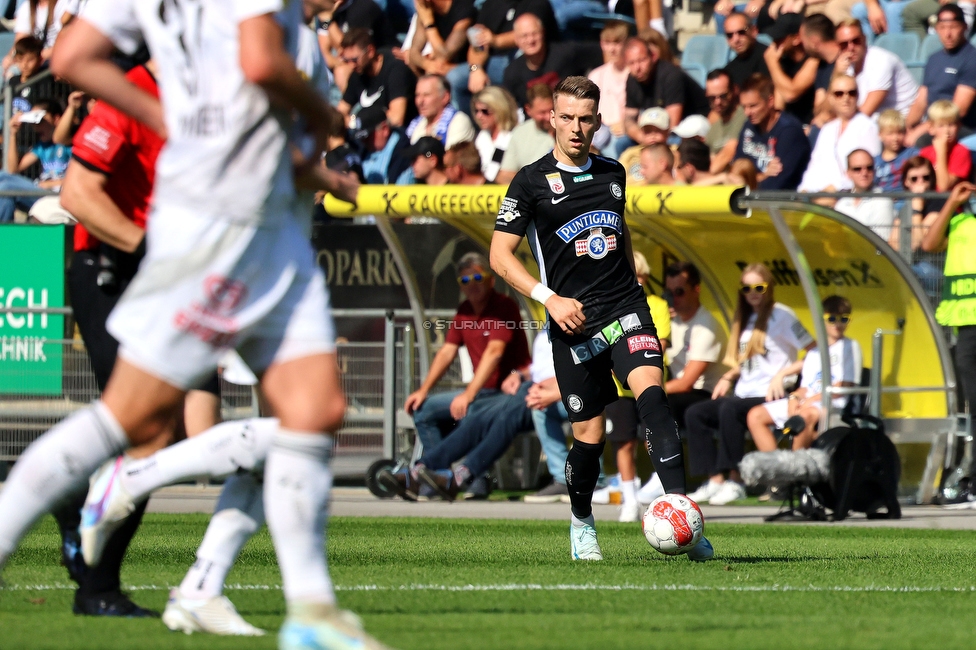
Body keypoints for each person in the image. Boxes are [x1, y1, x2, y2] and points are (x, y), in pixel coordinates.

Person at [6, 2, 385, 649]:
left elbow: (69, 56)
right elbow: (261, 62)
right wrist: (327, 113)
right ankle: (125, 489)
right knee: (130, 421)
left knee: (316, 408)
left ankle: (310, 613)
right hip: (221, 222)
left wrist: (309, 167)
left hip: (260, 220)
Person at [490, 75, 713, 561]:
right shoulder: (529, 181)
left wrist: (632, 275)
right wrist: (550, 299)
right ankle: (582, 522)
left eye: (585, 119)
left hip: (625, 308)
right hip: (573, 325)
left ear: (597, 123)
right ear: (551, 118)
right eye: (566, 117)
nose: (575, 128)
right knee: (590, 439)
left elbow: (621, 232)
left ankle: (683, 520)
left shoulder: (614, 172)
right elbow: (499, 257)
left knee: (653, 399)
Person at [685, 263, 815, 505]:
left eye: (758, 287)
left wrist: (784, 374)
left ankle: (736, 481)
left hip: (771, 394)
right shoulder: (745, 317)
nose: (752, 292)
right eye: (746, 288)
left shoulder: (782, 315)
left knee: (729, 410)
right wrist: (729, 376)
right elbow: (751, 360)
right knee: (696, 413)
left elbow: (814, 351)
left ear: (769, 288)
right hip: (744, 391)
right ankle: (715, 480)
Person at [403, 252, 532, 455]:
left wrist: (468, 395)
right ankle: (438, 474)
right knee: (424, 410)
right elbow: (447, 351)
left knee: (471, 412)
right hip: (484, 393)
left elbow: (494, 352)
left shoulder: (503, 306)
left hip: (514, 391)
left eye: (477, 277)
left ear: (491, 280)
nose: (471, 284)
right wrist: (423, 390)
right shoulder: (464, 310)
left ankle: (471, 477)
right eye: (465, 280)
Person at [603, 252, 672, 522]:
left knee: (653, 437)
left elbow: (660, 342)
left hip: (648, 382)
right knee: (623, 441)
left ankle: (665, 492)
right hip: (619, 388)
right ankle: (630, 498)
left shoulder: (657, 304)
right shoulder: (610, 302)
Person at [746, 295, 862, 451]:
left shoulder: (850, 346)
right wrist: (795, 398)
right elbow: (805, 386)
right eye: (832, 318)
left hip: (832, 404)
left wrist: (810, 400)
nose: (838, 324)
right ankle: (776, 464)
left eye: (844, 319)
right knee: (755, 415)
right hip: (808, 402)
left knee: (804, 417)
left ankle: (795, 468)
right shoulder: (814, 352)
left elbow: (844, 385)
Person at [922, 182, 976, 456]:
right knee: (972, 400)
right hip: (967, 324)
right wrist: (952, 202)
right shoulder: (960, 222)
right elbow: (929, 244)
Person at [457, 0, 558, 110]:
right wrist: (476, 68)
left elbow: (531, 37)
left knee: (511, 71)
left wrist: (495, 40)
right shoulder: (491, 4)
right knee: (455, 77)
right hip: (492, 62)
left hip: (526, 60)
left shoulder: (537, 3)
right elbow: (477, 41)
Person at [662, 261, 727, 427]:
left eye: (679, 292)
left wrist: (648, 390)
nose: (673, 299)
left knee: (661, 405)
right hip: (679, 392)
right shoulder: (669, 322)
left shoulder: (706, 326)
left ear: (696, 290)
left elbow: (686, 383)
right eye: (669, 293)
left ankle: (664, 451)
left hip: (707, 394)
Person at [798, 75, 881, 195]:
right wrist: (804, 190)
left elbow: (869, 171)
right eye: (839, 94)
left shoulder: (868, 127)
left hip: (851, 196)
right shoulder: (827, 129)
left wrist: (836, 188)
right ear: (831, 98)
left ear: (857, 96)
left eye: (851, 93)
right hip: (820, 194)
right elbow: (815, 165)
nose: (846, 98)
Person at [906, 4, 976, 139]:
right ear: (937, 29)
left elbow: (958, 111)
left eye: (953, 27)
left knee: (919, 142)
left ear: (964, 27)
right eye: (942, 28)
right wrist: (905, 128)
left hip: (957, 128)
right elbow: (921, 101)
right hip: (932, 126)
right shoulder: (933, 59)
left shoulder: (972, 59)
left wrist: (921, 130)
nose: (947, 34)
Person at [734, 73, 811, 190]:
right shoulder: (749, 127)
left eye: (753, 106)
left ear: (770, 101)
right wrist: (763, 175)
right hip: (748, 196)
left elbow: (776, 184)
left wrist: (750, 179)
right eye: (744, 107)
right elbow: (736, 172)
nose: (747, 113)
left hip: (784, 202)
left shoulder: (789, 131)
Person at [623, 37, 709, 140]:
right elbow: (629, 118)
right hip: (656, 131)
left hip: (689, 128)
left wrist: (650, 138)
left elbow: (672, 122)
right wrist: (640, 136)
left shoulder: (671, 75)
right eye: (631, 63)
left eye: (641, 60)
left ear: (653, 56)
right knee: (622, 142)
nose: (637, 68)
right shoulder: (632, 80)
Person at [0, 99, 71, 223]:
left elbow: (79, 179)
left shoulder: (70, 144)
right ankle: (4, 236)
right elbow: (12, 170)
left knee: (6, 186)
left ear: (57, 119)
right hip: (41, 192)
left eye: (41, 121)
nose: (36, 127)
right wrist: (13, 134)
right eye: (33, 122)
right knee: (3, 180)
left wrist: (50, 184)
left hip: (58, 195)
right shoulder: (42, 146)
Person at [522, 325, 572, 503]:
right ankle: (563, 479)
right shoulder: (545, 329)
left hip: (588, 393)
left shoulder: (584, 321)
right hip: (553, 393)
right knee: (539, 409)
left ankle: (595, 481)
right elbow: (542, 369)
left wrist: (554, 393)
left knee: (584, 409)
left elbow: (592, 368)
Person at [501, 13, 589, 110]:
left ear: (543, 32)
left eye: (534, 34)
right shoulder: (512, 72)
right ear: (516, 40)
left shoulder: (567, 53)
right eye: (524, 36)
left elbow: (601, 51)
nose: (530, 40)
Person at [832, 19, 918, 118]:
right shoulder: (844, 66)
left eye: (856, 41)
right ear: (838, 46)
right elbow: (827, 111)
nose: (851, 47)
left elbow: (864, 114)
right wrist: (836, 75)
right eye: (844, 44)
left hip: (900, 122)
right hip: (876, 122)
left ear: (864, 39)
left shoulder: (880, 61)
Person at [337, 28, 416, 128]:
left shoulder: (395, 70)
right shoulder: (358, 73)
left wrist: (356, 122)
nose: (351, 65)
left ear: (370, 51)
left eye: (354, 59)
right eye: (347, 60)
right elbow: (340, 112)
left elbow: (396, 118)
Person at [893, 156, 944, 299]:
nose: (920, 183)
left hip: (932, 267)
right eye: (914, 179)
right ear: (906, 182)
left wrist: (917, 209)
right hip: (911, 264)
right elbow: (892, 242)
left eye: (925, 178)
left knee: (905, 273)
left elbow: (919, 243)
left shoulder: (939, 203)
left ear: (932, 180)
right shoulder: (905, 207)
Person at [763, 12, 820, 125]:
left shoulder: (814, 59)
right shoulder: (782, 63)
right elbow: (779, 106)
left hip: (811, 125)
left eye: (779, 38)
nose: (774, 43)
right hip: (791, 126)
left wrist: (772, 63)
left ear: (796, 38)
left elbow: (791, 93)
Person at [494, 82, 555, 184]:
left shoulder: (568, 127)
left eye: (551, 110)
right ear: (528, 110)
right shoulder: (520, 133)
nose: (548, 117)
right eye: (542, 112)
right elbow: (505, 175)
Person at [588, 20, 633, 158]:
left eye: (617, 43)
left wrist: (625, 124)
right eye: (607, 43)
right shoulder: (596, 75)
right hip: (599, 133)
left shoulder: (634, 73)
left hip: (624, 135)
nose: (612, 49)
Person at [405, 0, 475, 80]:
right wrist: (427, 64)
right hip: (443, 67)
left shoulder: (464, 10)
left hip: (472, 67)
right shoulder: (426, 10)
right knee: (409, 67)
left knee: (454, 75)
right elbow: (413, 54)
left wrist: (429, 24)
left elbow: (444, 55)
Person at [834, 149, 895, 239]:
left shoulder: (882, 201)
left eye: (869, 168)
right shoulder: (842, 204)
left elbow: (880, 244)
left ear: (874, 171)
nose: (864, 173)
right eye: (857, 169)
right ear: (848, 173)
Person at [406, 74, 476, 148]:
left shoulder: (459, 121)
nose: (420, 101)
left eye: (426, 95)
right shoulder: (416, 124)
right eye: (417, 95)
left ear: (445, 97)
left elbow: (452, 158)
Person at [917, 99, 972, 192]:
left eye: (951, 125)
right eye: (941, 126)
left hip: (951, 203)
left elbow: (943, 186)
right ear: (931, 128)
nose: (947, 131)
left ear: (958, 126)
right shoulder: (925, 152)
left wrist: (941, 151)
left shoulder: (961, 151)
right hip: (928, 200)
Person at [355, 105, 413, 185]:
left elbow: (402, 193)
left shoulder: (404, 155)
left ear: (385, 129)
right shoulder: (361, 151)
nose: (363, 141)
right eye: (362, 138)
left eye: (368, 136)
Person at [472, 85, 518, 183]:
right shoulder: (482, 137)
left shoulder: (513, 136)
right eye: (477, 111)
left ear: (499, 109)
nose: (479, 116)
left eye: (485, 111)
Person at [704, 69, 747, 174]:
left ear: (734, 90)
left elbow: (728, 153)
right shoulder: (714, 128)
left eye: (723, 96)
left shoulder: (744, 116)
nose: (717, 102)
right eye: (712, 98)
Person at [618, 107, 671, 186]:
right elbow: (617, 178)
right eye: (648, 131)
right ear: (641, 132)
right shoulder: (630, 154)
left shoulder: (674, 153)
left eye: (658, 130)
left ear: (667, 132)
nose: (653, 135)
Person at [875, 109, 919, 195]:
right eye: (890, 133)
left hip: (905, 200)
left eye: (899, 133)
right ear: (880, 135)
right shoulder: (875, 161)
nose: (895, 138)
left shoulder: (912, 154)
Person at [723, 12, 770, 89]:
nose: (736, 39)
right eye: (730, 35)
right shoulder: (729, 71)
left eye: (741, 32)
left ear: (754, 31)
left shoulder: (770, 58)